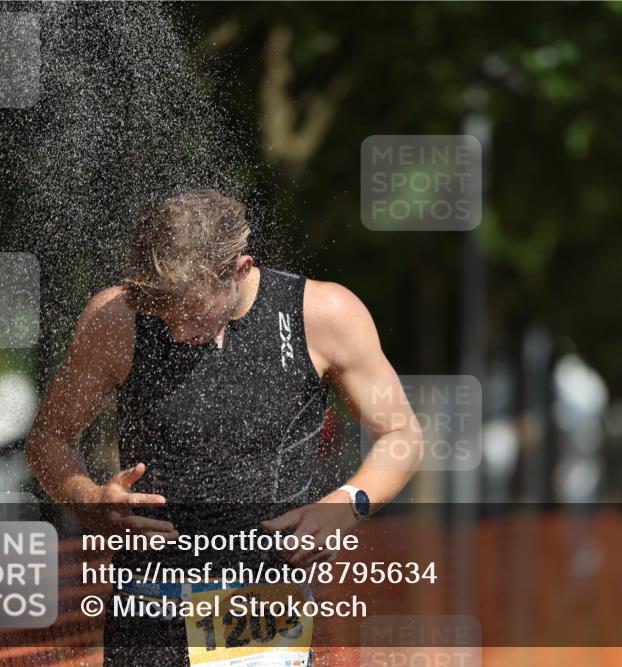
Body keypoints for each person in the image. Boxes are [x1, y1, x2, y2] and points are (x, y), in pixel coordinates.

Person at [26, 188, 424, 666]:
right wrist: (89, 500)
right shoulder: (117, 318)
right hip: (145, 608)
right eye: (163, 311)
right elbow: (49, 437)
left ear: (239, 269)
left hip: (261, 608)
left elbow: (402, 435)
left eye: (192, 310)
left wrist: (347, 503)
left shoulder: (323, 316)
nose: (175, 329)